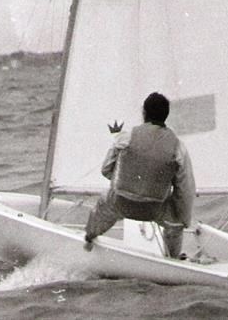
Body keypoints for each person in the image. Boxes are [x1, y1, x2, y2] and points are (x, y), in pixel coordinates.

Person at [83, 92, 195, 258]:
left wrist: (124, 180)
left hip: (120, 202)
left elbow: (106, 169)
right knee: (175, 225)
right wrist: (184, 220)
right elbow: (184, 188)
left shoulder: (126, 137)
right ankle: (173, 259)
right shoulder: (178, 147)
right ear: (166, 116)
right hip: (155, 209)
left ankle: (88, 239)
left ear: (144, 113)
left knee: (102, 204)